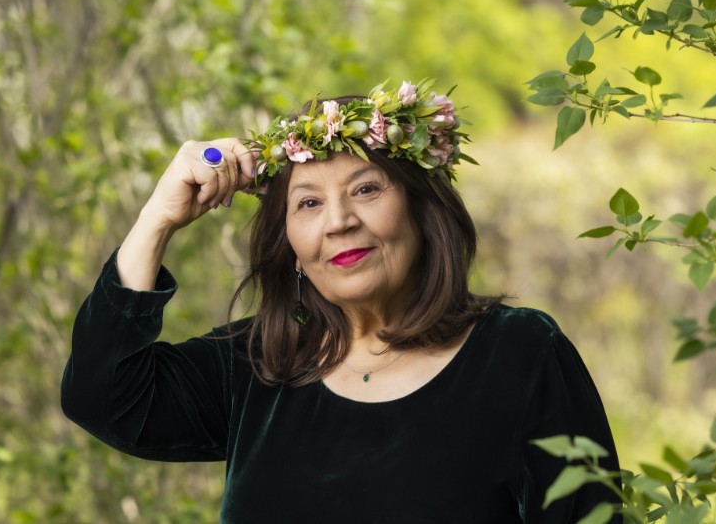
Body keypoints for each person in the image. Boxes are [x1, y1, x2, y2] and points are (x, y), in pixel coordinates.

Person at [61, 80, 621, 523]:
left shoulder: (518, 354)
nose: (339, 222)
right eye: (308, 203)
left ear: (423, 212)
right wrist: (157, 217)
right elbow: (102, 396)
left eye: (366, 189)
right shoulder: (257, 365)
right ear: (293, 249)